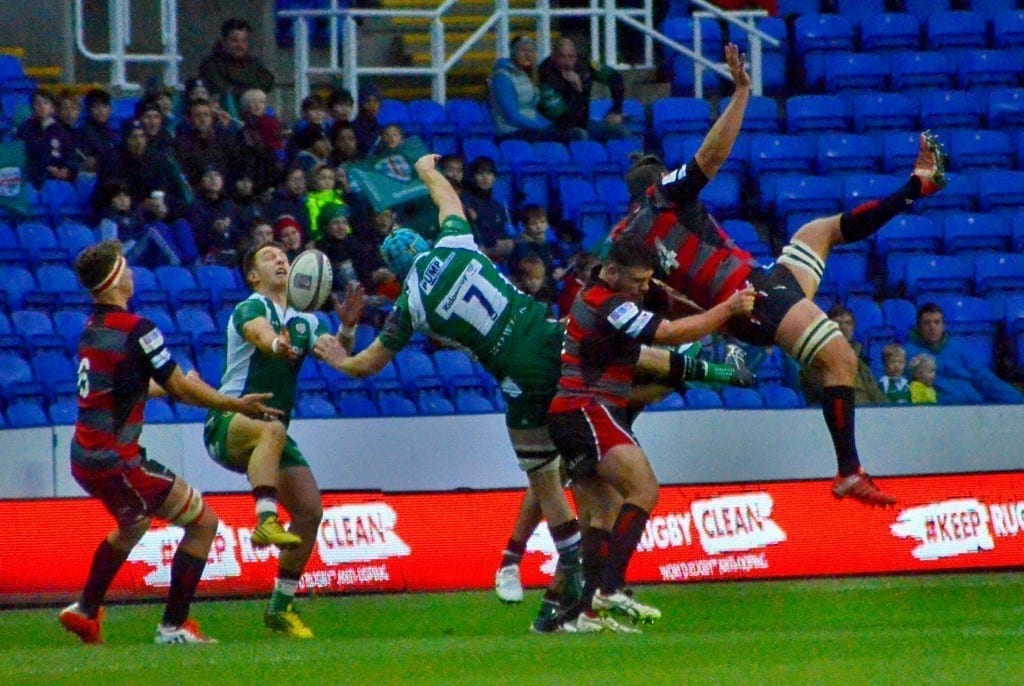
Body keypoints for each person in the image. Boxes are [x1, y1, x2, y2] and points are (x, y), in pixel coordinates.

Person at [314, 154, 751, 631]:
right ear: (424, 241)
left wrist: (336, 352)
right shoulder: (458, 243)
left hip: (521, 384)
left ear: (394, 271)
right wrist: (427, 171)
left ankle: (542, 583)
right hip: (551, 342)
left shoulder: (410, 302)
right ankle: (565, 585)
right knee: (623, 388)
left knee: (551, 486)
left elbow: (367, 365)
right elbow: (448, 200)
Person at [609, 43, 951, 507]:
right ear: (655, 183)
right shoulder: (662, 197)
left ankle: (914, 187)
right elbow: (710, 159)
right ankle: (849, 470)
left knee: (820, 231)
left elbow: (638, 297)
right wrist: (743, 92)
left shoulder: (629, 238)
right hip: (752, 297)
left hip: (757, 287)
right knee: (841, 360)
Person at [59, 240, 281, 645]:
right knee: (204, 523)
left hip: (85, 457)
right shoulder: (138, 330)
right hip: (118, 460)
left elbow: (126, 388)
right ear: (114, 281)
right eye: (125, 268)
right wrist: (234, 403)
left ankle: (85, 610)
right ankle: (173, 626)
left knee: (134, 525)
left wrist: (180, 386)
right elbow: (179, 387)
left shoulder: (94, 330)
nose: (132, 274)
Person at [547, 236, 754, 631]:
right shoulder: (609, 305)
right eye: (639, 281)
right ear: (612, 273)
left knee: (603, 511)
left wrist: (725, 373)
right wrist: (727, 308)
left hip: (574, 413)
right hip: (588, 409)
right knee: (644, 491)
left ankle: (585, 612)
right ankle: (610, 589)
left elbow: (661, 360)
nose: (645, 288)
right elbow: (670, 335)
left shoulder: (598, 300)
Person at [203, 242, 363, 638]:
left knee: (310, 511)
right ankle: (265, 519)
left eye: (284, 256)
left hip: (270, 430)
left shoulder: (305, 321)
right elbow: (261, 337)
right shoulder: (251, 307)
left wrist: (347, 328)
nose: (280, 259)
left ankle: (280, 605)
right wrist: (279, 345)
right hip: (228, 421)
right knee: (273, 426)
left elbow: (343, 361)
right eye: (269, 256)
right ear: (253, 275)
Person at [904, 303, 1024, 405]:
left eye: (937, 322)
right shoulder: (908, 353)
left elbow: (984, 378)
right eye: (927, 323)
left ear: (943, 325)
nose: (932, 327)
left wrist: (1018, 401)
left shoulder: (958, 348)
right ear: (919, 327)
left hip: (974, 408)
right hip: (938, 413)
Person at [489, 36, 584, 142]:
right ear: (513, 52)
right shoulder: (502, 77)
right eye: (523, 50)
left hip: (529, 128)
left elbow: (532, 110)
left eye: (531, 51)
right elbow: (512, 115)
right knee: (564, 136)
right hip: (510, 131)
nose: (528, 55)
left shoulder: (527, 75)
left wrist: (549, 126)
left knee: (571, 133)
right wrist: (543, 127)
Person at [538, 37, 629, 142]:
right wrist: (576, 90)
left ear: (576, 57)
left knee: (622, 132)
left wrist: (616, 110)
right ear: (553, 57)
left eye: (571, 57)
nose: (567, 62)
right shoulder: (545, 72)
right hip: (556, 127)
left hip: (583, 123)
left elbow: (614, 77)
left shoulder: (584, 64)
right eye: (562, 57)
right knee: (581, 135)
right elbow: (563, 117)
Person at [799, 304, 888, 406]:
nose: (844, 327)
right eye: (838, 323)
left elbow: (875, 393)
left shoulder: (861, 360)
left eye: (848, 323)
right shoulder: (816, 360)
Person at [198, 18, 276, 112]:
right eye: (235, 41)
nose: (240, 45)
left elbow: (268, 80)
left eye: (244, 41)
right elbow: (222, 90)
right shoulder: (211, 64)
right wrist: (247, 90)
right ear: (224, 41)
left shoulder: (253, 62)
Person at [17, 89, 77, 188]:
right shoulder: (25, 129)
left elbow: (69, 155)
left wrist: (65, 169)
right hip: (32, 176)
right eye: (37, 103)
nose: (42, 107)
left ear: (52, 108)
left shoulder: (61, 131)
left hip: (56, 179)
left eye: (45, 103)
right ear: (32, 107)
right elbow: (21, 154)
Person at [460, 156, 514, 264]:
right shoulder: (465, 201)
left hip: (499, 256)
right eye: (480, 174)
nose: (485, 178)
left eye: (489, 174)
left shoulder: (498, 206)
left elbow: (505, 235)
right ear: (473, 177)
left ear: (494, 177)